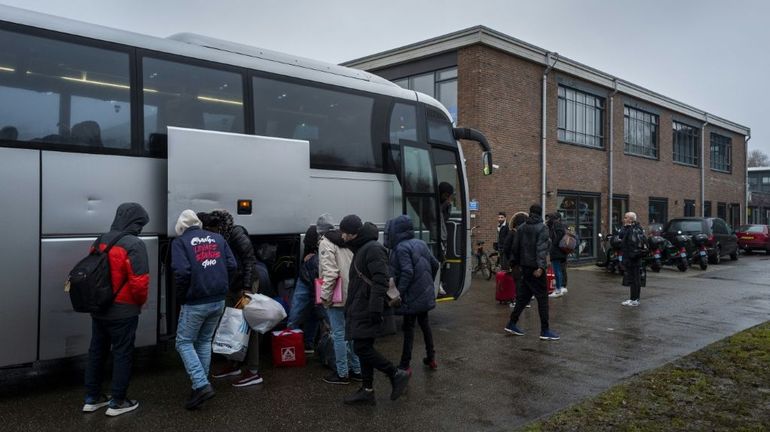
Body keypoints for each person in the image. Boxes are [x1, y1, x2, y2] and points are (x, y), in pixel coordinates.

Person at [83, 202, 149, 417]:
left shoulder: (100, 239)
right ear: (133, 222)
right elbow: (139, 282)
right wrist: (139, 303)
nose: (141, 228)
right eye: (140, 223)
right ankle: (117, 402)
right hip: (124, 310)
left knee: (97, 352)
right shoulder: (134, 244)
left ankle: (92, 399)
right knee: (122, 353)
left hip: (99, 307)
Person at [341, 215, 410, 405]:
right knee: (364, 347)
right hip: (362, 306)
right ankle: (367, 389)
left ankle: (395, 373)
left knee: (361, 348)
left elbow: (381, 279)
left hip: (367, 307)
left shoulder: (371, 248)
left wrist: (375, 308)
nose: (342, 236)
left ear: (353, 233)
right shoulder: (363, 248)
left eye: (344, 233)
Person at [172, 210, 237, 410]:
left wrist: (182, 295)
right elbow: (232, 265)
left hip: (195, 301)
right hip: (218, 300)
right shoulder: (217, 239)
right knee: (204, 341)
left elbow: (182, 272)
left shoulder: (180, 242)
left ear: (180, 226)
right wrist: (223, 286)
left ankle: (200, 385)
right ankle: (199, 386)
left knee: (183, 342)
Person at [201, 210, 263, 387]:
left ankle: (253, 371)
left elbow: (249, 260)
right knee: (230, 324)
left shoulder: (236, 233)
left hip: (245, 285)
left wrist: (246, 289)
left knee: (247, 326)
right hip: (232, 284)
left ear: (217, 226)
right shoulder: (221, 235)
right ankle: (234, 363)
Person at [385, 214, 440, 373]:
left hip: (411, 297)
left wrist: (399, 293)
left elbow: (407, 271)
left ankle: (405, 364)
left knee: (408, 330)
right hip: (423, 294)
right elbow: (435, 264)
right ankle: (431, 358)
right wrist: (428, 284)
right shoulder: (421, 243)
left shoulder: (401, 247)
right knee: (425, 325)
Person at [317, 214, 362, 385]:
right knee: (350, 334)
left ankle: (342, 373)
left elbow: (331, 273)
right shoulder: (344, 241)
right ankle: (357, 370)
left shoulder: (325, 243)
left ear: (320, 231)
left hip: (337, 295)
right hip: (351, 293)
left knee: (338, 335)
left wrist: (325, 297)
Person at [504, 204, 560, 341]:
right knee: (542, 299)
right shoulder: (543, 228)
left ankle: (511, 323)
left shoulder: (521, 228)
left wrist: (514, 264)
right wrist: (541, 267)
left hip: (524, 268)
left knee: (523, 298)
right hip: (536, 269)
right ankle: (545, 330)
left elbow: (515, 248)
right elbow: (541, 249)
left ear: (530, 213)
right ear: (540, 214)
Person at [286, 224, 324, 356]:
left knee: (296, 312)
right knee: (313, 315)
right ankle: (308, 343)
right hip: (315, 279)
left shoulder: (310, 258)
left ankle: (290, 344)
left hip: (305, 278)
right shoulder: (326, 247)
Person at [502, 211, 529, 308]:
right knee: (525, 281)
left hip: (516, 262)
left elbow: (506, 247)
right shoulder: (528, 233)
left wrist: (510, 258)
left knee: (518, 281)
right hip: (528, 261)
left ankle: (518, 301)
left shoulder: (513, 233)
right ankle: (526, 302)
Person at [619, 212, 647, 307]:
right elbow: (621, 236)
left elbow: (629, 241)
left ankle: (636, 300)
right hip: (629, 257)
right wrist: (626, 226)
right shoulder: (629, 228)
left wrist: (633, 255)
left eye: (626, 217)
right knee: (632, 279)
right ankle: (632, 298)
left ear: (631, 219)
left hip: (634, 257)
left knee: (636, 279)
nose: (624, 219)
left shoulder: (636, 229)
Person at [547, 213, 568, 298]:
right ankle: (559, 288)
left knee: (557, 271)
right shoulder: (558, 225)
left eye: (549, 218)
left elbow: (558, 236)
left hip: (557, 252)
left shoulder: (557, 225)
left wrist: (553, 244)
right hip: (559, 252)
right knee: (558, 270)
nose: (548, 220)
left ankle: (558, 289)